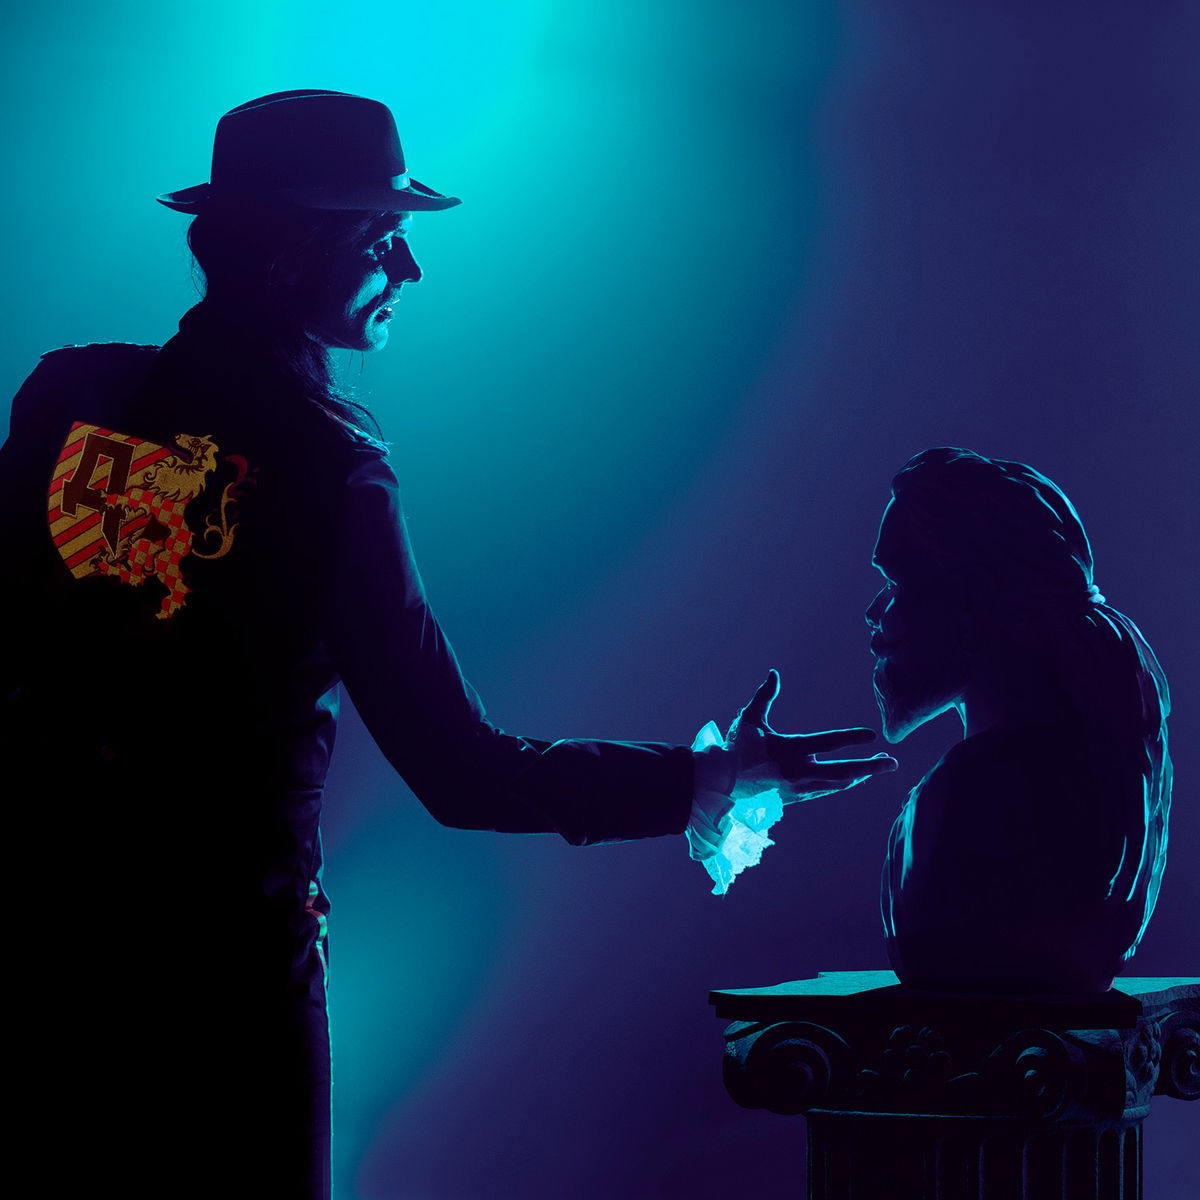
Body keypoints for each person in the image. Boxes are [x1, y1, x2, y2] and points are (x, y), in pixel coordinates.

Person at [0, 91, 896, 1197]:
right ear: (291, 253)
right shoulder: (330, 471)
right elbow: (461, 772)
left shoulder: (69, 395)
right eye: (383, 237)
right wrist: (706, 782)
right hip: (223, 987)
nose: (410, 269)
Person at [866, 447, 1171, 995]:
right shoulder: (1097, 774)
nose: (874, 614)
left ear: (969, 605)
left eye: (895, 584)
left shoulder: (965, 803)